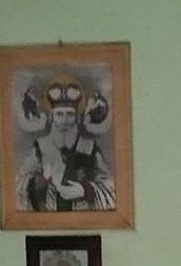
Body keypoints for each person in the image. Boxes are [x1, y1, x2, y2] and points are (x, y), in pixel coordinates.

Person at [14, 74, 115, 213]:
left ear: (77, 117)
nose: (64, 121)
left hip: (83, 221)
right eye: (59, 114)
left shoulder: (90, 148)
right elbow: (19, 185)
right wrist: (41, 180)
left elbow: (110, 187)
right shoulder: (40, 148)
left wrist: (85, 190)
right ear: (51, 117)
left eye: (70, 114)